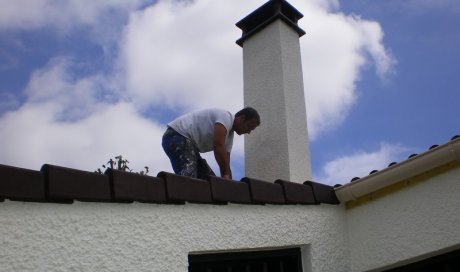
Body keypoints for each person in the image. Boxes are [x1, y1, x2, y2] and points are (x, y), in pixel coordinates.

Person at [162, 107, 260, 180]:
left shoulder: (229, 137)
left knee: (210, 182)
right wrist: (225, 174)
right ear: (242, 118)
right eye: (248, 127)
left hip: (189, 145)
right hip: (176, 136)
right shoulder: (226, 117)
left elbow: (225, 163)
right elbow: (218, 145)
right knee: (189, 177)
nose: (248, 132)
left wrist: (228, 183)